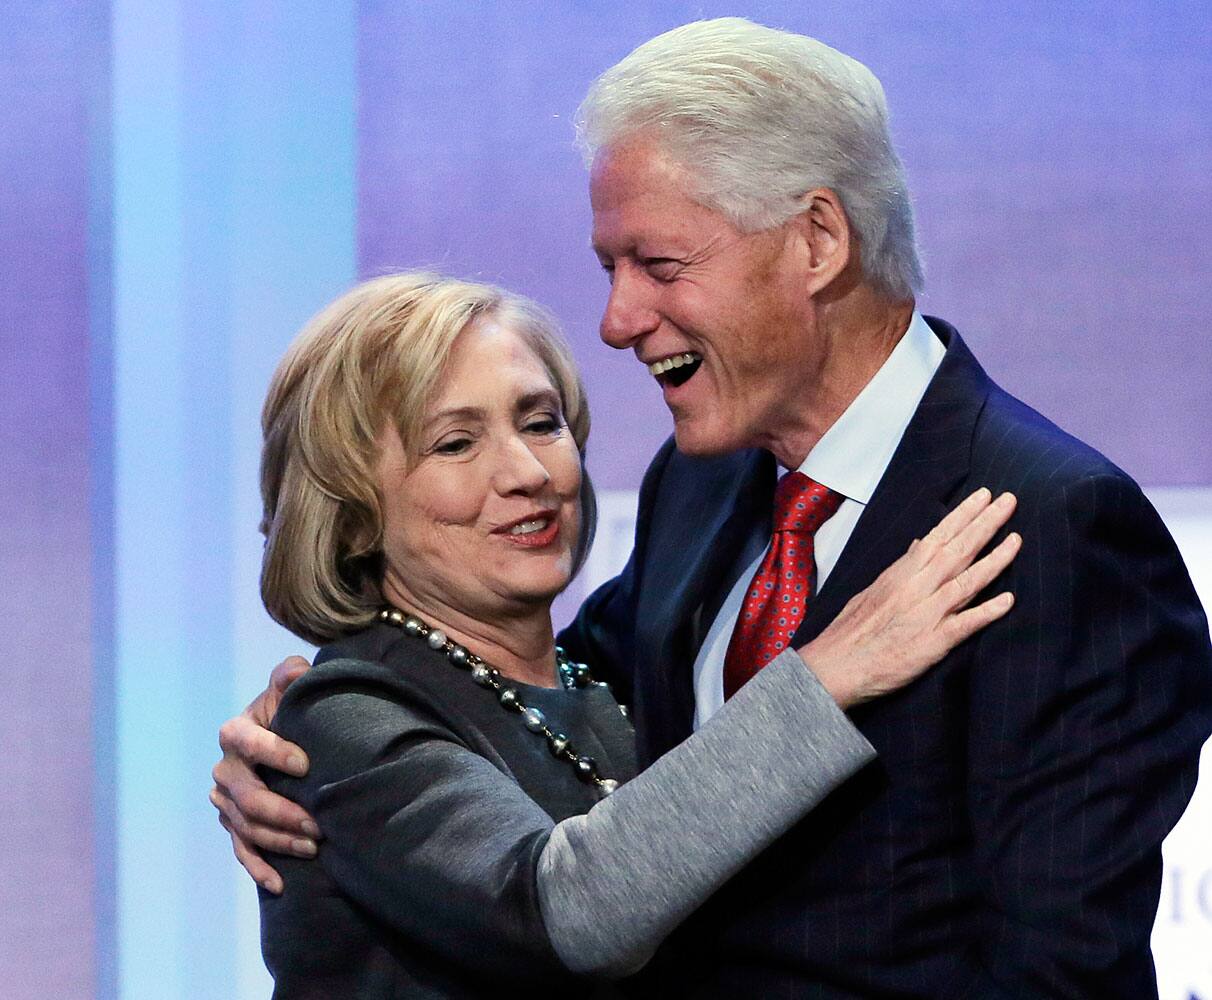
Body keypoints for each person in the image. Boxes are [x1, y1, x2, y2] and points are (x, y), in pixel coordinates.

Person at [214, 18, 1212, 999]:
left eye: (658, 264)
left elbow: (1059, 969)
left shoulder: (1052, 527)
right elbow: (521, 716)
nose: (616, 321)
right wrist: (303, 740)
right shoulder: (705, 482)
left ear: (818, 239)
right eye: (611, 269)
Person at [244, 270, 1018, 997]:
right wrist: (824, 679)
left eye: (540, 423)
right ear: (348, 515)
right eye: (455, 443)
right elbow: (563, 911)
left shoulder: (597, 670)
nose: (528, 472)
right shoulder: (346, 717)